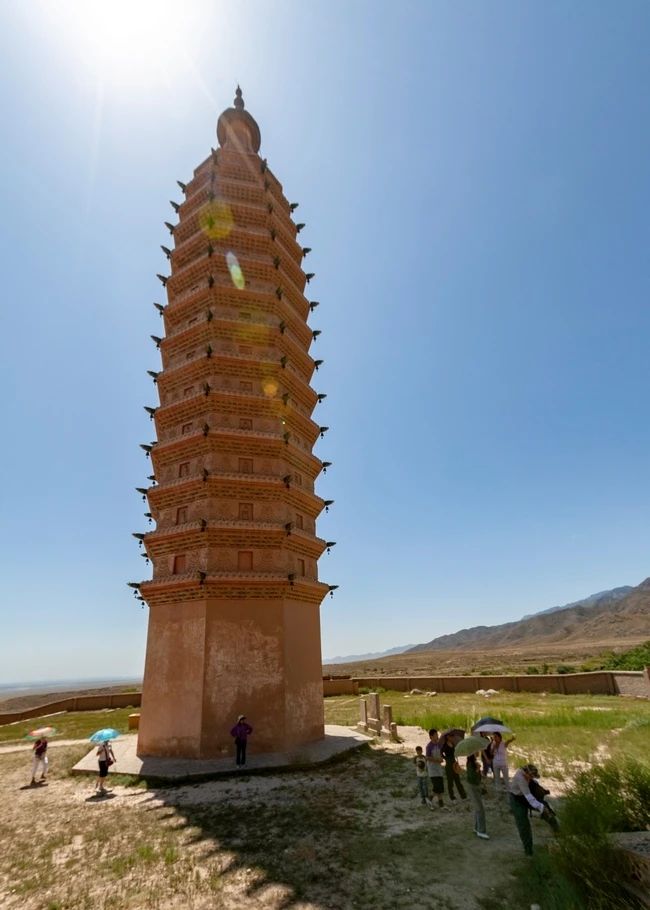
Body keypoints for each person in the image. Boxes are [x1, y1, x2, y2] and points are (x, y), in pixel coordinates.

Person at [508, 764, 554, 855]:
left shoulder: (528, 776)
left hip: (525, 795)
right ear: (526, 773)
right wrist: (541, 808)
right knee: (523, 825)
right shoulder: (521, 779)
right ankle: (528, 851)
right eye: (531, 776)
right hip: (517, 800)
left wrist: (544, 807)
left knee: (548, 810)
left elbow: (533, 787)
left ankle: (557, 830)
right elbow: (531, 800)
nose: (531, 778)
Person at [466, 753, 489, 839]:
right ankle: (481, 831)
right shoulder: (470, 764)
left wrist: (480, 771)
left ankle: (476, 828)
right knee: (480, 809)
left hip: (475, 787)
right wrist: (478, 769)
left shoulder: (473, 763)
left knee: (478, 808)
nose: (478, 753)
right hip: (472, 787)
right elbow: (472, 777)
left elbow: (477, 776)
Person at [441, 732, 467, 802]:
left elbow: (455, 752)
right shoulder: (445, 745)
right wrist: (446, 758)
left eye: (452, 736)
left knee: (457, 780)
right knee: (450, 781)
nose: (452, 737)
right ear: (447, 737)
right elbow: (441, 753)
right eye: (451, 736)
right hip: (449, 763)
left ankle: (463, 795)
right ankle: (452, 797)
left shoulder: (453, 744)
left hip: (454, 762)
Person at [425, 729, 446, 808]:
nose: (437, 736)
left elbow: (441, 754)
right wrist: (436, 760)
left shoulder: (439, 745)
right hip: (432, 768)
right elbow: (427, 757)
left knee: (440, 786)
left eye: (437, 734)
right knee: (436, 785)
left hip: (438, 768)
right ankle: (430, 798)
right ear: (431, 736)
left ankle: (440, 802)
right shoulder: (429, 746)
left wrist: (442, 758)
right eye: (435, 735)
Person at [490, 731, 515, 795]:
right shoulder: (493, 743)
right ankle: (498, 789)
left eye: (496, 736)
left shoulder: (503, 743)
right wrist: (494, 747)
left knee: (506, 777)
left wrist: (512, 739)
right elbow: (491, 753)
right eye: (494, 737)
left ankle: (509, 790)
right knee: (497, 777)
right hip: (495, 762)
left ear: (499, 737)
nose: (495, 738)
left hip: (503, 763)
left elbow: (508, 741)